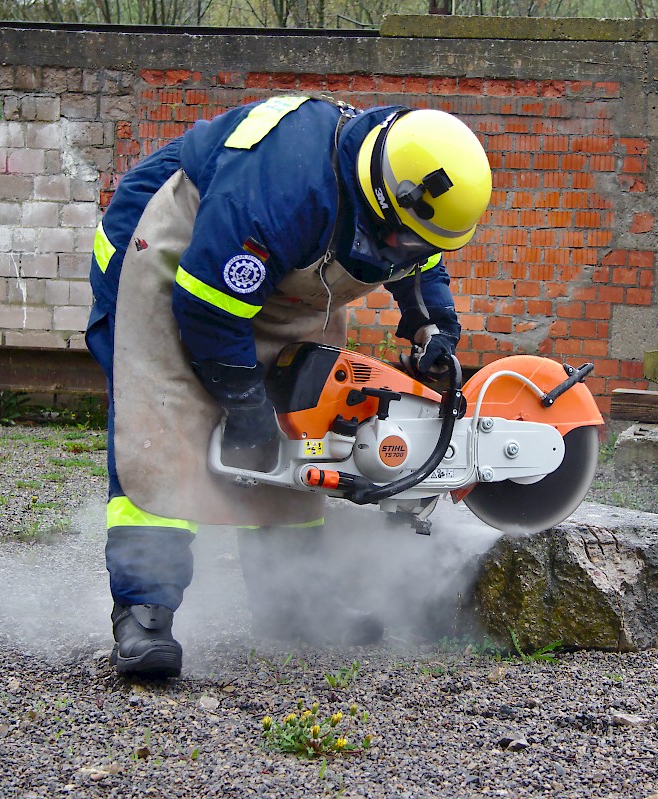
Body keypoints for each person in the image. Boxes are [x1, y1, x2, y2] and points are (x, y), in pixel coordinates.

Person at [85, 94, 492, 678]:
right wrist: (242, 403)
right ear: (382, 197)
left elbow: (420, 258)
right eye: (402, 237)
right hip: (167, 252)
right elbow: (206, 312)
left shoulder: (406, 192)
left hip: (265, 271)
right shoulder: (283, 187)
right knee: (167, 419)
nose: (409, 251)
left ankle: (292, 600)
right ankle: (144, 611)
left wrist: (433, 329)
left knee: (304, 418)